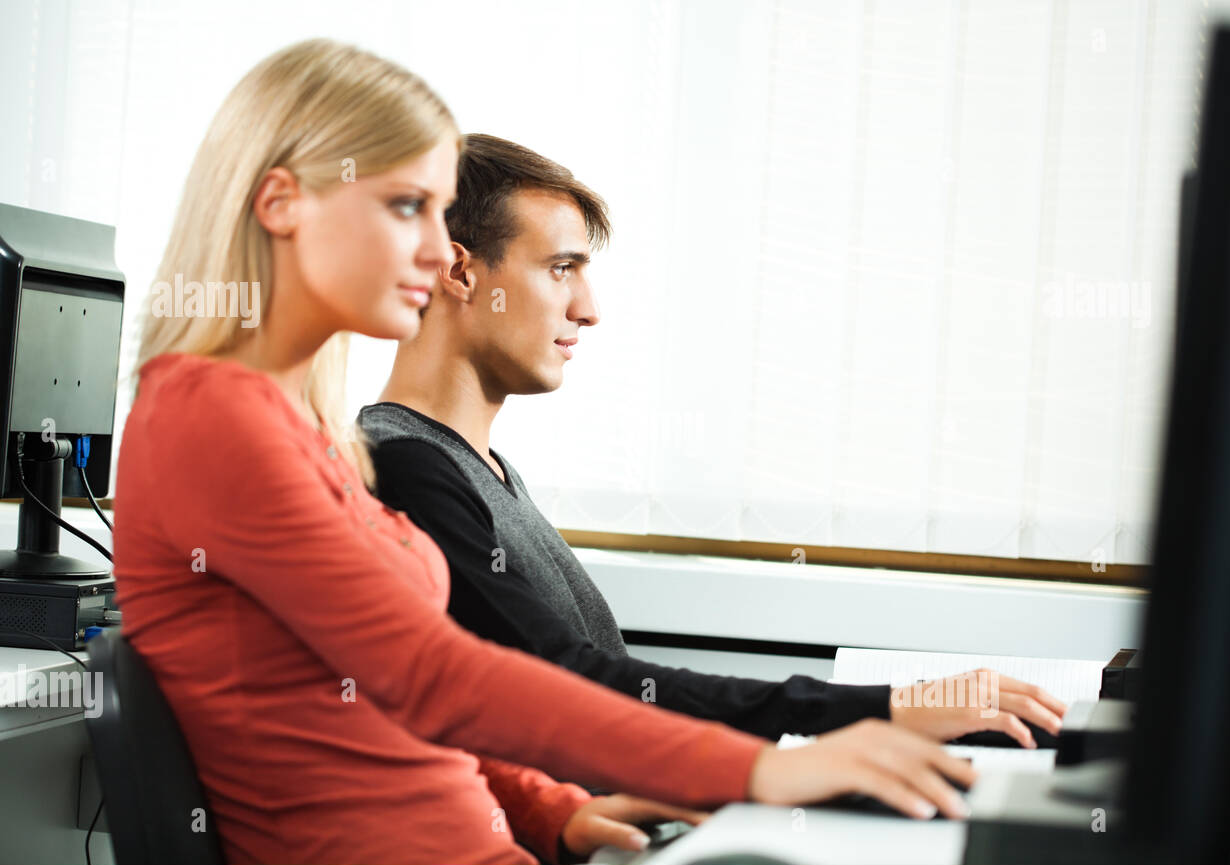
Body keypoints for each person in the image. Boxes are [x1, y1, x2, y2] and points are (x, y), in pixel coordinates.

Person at [113, 38, 976, 865]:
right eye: (406, 205)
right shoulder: (208, 415)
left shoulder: (305, 426)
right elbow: (432, 674)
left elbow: (393, 702)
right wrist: (766, 767)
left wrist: (553, 810)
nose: (433, 248)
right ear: (281, 205)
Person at [358, 134, 1067, 745]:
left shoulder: (481, 467)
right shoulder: (406, 467)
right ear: (459, 272)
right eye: (561, 268)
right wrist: (878, 712)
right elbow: (568, 683)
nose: (590, 309)